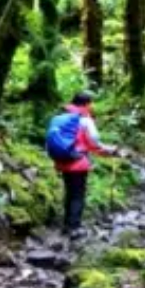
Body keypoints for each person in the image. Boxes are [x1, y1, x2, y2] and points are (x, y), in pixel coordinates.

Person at [46, 92, 116, 239]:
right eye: (90, 104)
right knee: (78, 195)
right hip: (78, 162)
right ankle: (74, 228)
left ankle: (66, 225)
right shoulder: (84, 120)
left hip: (63, 161)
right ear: (86, 104)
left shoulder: (60, 118)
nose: (91, 107)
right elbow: (94, 142)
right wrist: (108, 150)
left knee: (69, 193)